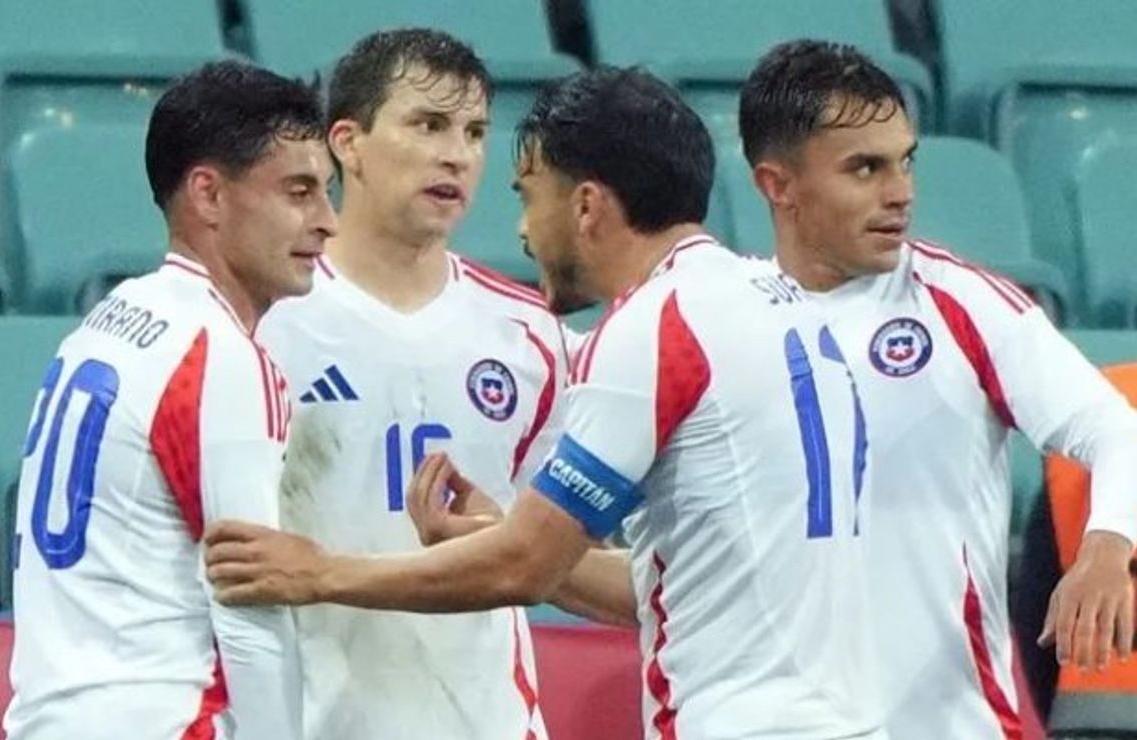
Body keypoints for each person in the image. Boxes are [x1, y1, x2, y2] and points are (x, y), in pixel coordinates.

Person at [207, 66, 888, 740]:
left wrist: (320, 572)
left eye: (529, 197)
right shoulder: (796, 310)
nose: (524, 231)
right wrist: (502, 537)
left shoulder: (650, 330)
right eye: (430, 125)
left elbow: (524, 565)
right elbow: (652, 584)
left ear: (585, 207)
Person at [737, 39, 1137, 740]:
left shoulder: (966, 307)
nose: (901, 192)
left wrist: (1108, 544)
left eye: (906, 162)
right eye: (865, 168)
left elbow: (1115, 430)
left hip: (947, 723)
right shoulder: (716, 320)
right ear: (778, 185)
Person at [5, 60, 337, 739]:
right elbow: (251, 606)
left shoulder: (107, 321)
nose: (327, 222)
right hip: (162, 717)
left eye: (326, 192)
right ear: (208, 194)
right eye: (299, 191)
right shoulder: (220, 354)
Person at [254, 29, 568, 740]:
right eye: (427, 125)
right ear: (347, 143)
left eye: (474, 132)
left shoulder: (532, 336)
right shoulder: (268, 323)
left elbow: (556, 555)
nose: (457, 154)